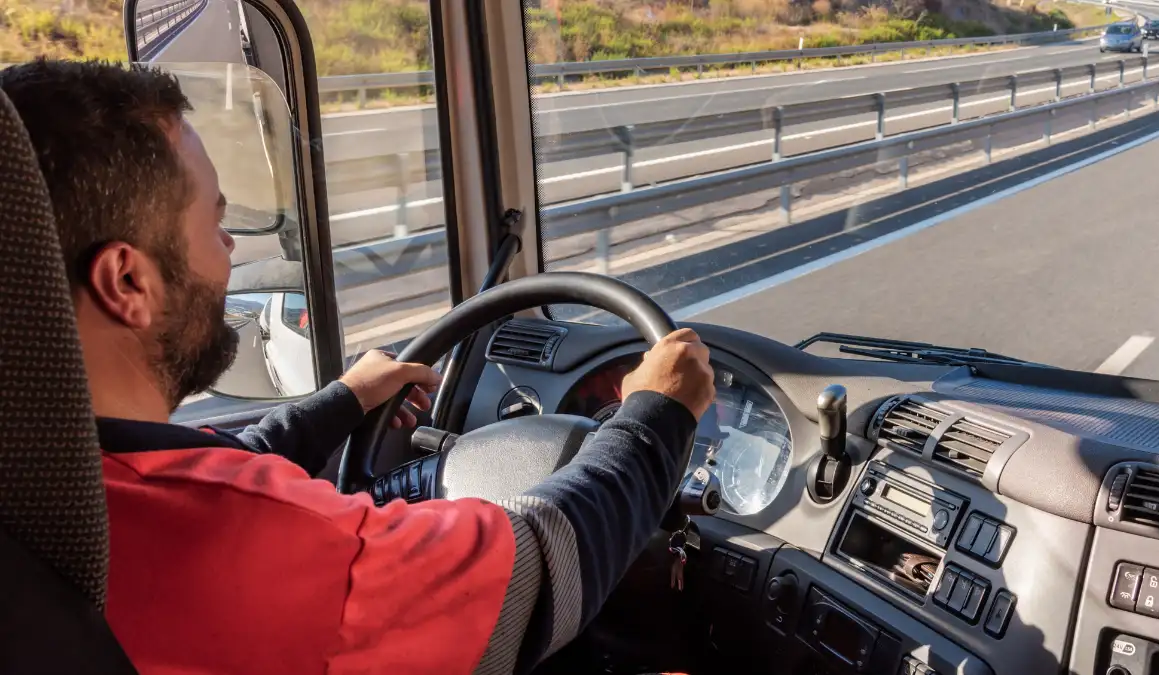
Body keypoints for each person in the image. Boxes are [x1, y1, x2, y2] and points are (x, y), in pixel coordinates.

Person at [0, 59, 716, 675]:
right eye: (215, 223)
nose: (230, 251)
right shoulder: (250, 544)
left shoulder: (52, 483)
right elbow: (532, 580)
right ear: (127, 282)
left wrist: (343, 400)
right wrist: (654, 416)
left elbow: (208, 469)